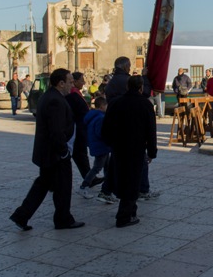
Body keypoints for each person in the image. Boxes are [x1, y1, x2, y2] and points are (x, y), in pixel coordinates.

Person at [10, 68, 84, 231]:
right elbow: (56, 130)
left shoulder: (51, 96)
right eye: (70, 82)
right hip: (55, 155)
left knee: (43, 184)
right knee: (63, 186)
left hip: (49, 153)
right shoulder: (55, 100)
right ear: (61, 83)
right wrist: (63, 152)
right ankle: (63, 219)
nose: (72, 86)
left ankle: (22, 215)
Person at [101, 76, 157, 228]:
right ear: (140, 88)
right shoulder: (145, 104)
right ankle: (124, 216)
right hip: (136, 148)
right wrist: (152, 151)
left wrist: (109, 142)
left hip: (118, 147)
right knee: (132, 180)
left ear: (127, 86)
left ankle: (131, 210)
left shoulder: (115, 103)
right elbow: (151, 130)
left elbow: (106, 126)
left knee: (122, 176)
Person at [79, 96, 116, 203]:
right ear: (102, 106)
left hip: (98, 146)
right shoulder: (100, 118)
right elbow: (101, 133)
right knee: (97, 168)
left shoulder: (92, 116)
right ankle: (84, 186)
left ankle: (107, 187)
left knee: (107, 167)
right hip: (101, 146)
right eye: (106, 106)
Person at [65, 72, 93, 183]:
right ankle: (89, 177)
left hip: (80, 128)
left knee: (80, 154)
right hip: (77, 129)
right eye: (81, 80)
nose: (84, 82)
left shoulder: (76, 93)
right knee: (80, 153)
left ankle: (89, 177)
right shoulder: (72, 94)